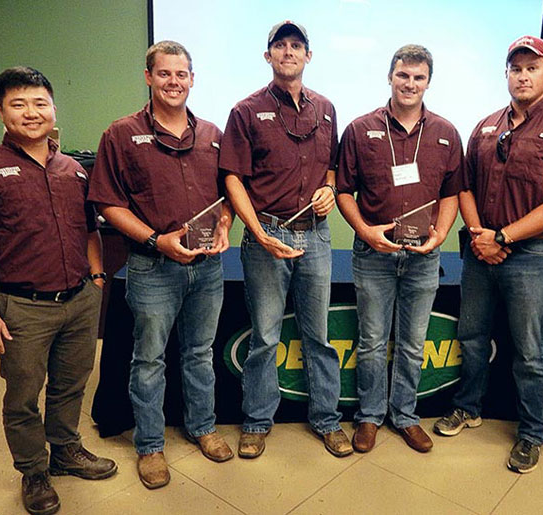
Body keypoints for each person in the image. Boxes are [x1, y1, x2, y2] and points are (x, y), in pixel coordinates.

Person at [0, 66, 116, 515]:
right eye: (18, 104)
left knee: (70, 385)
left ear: (53, 108)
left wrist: (97, 279)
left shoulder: (73, 171)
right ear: (2, 112)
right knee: (23, 395)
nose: (31, 112)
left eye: (39, 102)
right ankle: (33, 471)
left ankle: (65, 451)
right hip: (22, 307)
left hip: (79, 300)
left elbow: (89, 231)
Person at [432, 36, 543, 473]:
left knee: (530, 350)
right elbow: (462, 186)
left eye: (532, 68)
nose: (523, 75)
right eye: (516, 68)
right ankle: (468, 407)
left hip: (533, 258)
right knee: (472, 337)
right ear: (506, 74)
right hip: (481, 253)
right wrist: (482, 235)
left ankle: (532, 432)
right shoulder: (485, 126)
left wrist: (502, 237)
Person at [89, 41, 234, 489]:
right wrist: (157, 240)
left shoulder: (212, 133)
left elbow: (227, 194)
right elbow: (108, 204)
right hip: (153, 268)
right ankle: (150, 445)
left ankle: (203, 427)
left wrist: (226, 224)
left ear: (193, 78)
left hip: (207, 267)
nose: (174, 82)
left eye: (182, 74)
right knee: (149, 359)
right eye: (165, 74)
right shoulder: (120, 133)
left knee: (199, 353)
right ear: (149, 77)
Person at [220, 20, 351, 458]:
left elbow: (332, 167)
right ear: (268, 55)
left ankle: (328, 421)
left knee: (319, 337)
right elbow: (232, 178)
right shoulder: (245, 111)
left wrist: (330, 188)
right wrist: (257, 232)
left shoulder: (328, 109)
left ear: (308, 56)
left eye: (297, 46)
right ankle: (257, 422)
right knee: (264, 338)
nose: (289, 52)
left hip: (315, 238)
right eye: (281, 45)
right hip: (265, 236)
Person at [337, 45, 463, 453]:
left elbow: (452, 193)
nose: (410, 84)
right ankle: (370, 416)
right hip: (373, 254)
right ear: (390, 77)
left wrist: (441, 235)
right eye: (403, 76)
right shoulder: (359, 129)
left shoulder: (446, 132)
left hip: (424, 257)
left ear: (429, 82)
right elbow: (342, 191)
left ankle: (405, 415)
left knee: (412, 342)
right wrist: (364, 230)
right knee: (372, 341)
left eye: (418, 77)